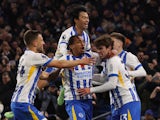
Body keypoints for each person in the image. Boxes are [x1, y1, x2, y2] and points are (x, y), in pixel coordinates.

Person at [10, 30, 93, 120]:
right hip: (23, 104)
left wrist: (60, 70)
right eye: (41, 40)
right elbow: (59, 63)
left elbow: (47, 76)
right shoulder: (35, 56)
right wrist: (81, 61)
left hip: (17, 103)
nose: (44, 43)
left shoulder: (25, 57)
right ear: (35, 43)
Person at [77, 36, 141, 120]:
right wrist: (83, 76)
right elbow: (102, 79)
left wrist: (90, 90)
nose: (99, 52)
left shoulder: (113, 61)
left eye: (101, 48)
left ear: (109, 48)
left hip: (128, 101)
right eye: (97, 49)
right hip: (117, 105)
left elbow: (111, 84)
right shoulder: (107, 62)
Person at [54, 4, 91, 106]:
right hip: (60, 61)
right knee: (44, 81)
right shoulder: (67, 33)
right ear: (76, 20)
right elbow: (62, 50)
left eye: (87, 18)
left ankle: (65, 88)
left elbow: (88, 52)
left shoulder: (86, 36)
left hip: (78, 61)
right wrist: (70, 61)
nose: (87, 20)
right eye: (84, 17)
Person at [59, 35, 96, 120]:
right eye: (79, 42)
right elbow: (52, 72)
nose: (82, 44)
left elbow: (104, 55)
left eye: (83, 42)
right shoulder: (65, 59)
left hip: (88, 100)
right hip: (73, 100)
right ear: (71, 46)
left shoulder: (91, 56)